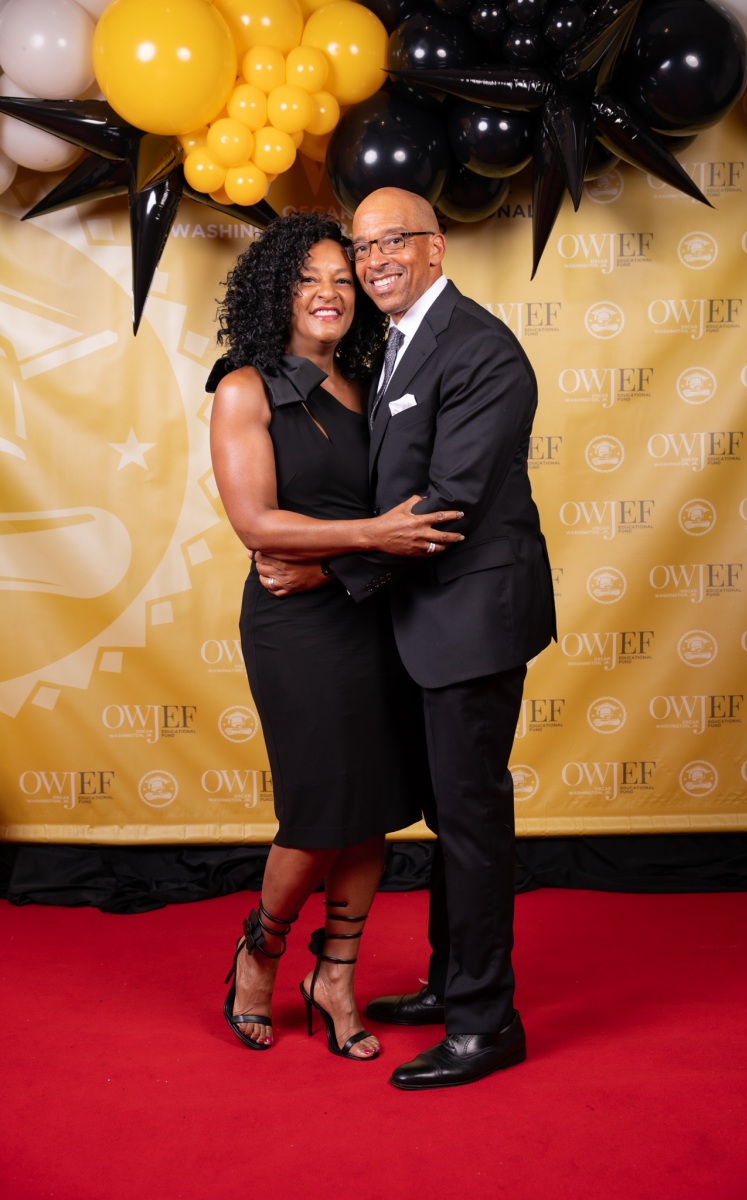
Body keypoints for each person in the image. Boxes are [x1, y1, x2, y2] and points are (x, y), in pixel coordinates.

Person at [254, 188, 557, 1089]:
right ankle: (449, 983)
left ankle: (485, 1022)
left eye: (396, 240)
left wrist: (324, 571)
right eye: (364, 245)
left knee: (471, 820)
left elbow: (448, 502)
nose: (376, 259)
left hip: (471, 619)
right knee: (447, 816)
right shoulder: (392, 342)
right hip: (419, 619)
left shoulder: (480, 348)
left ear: (437, 247)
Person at [208, 212, 464, 1060]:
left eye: (342, 280)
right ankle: (261, 950)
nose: (328, 294)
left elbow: (415, 502)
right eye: (307, 279)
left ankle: (337, 977)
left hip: (372, 610)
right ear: (275, 292)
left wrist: (351, 554)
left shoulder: (373, 377)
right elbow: (257, 523)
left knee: (373, 808)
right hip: (293, 626)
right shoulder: (244, 388)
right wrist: (372, 535)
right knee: (319, 810)